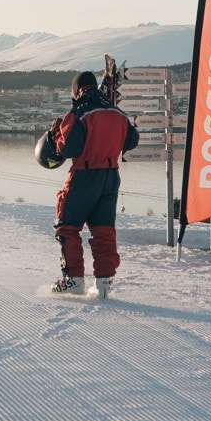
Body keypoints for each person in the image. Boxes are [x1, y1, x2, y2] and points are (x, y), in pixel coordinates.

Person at [46, 70, 139, 298]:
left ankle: (73, 280)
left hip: (85, 175)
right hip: (111, 177)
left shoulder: (78, 113)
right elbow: (132, 140)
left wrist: (55, 135)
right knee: (103, 230)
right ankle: (104, 284)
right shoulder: (117, 113)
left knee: (67, 227)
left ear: (77, 90)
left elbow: (67, 148)